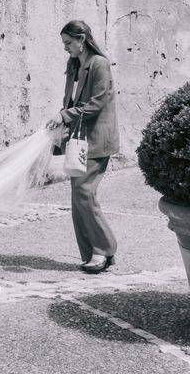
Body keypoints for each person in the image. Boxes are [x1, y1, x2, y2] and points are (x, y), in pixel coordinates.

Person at [46, 20, 120, 273]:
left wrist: (65, 116)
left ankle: (105, 249)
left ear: (82, 39)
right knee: (78, 197)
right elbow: (71, 102)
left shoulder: (99, 63)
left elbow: (97, 103)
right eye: (64, 43)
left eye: (69, 43)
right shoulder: (74, 65)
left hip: (97, 138)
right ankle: (92, 253)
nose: (66, 48)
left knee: (83, 193)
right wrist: (61, 119)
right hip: (78, 139)